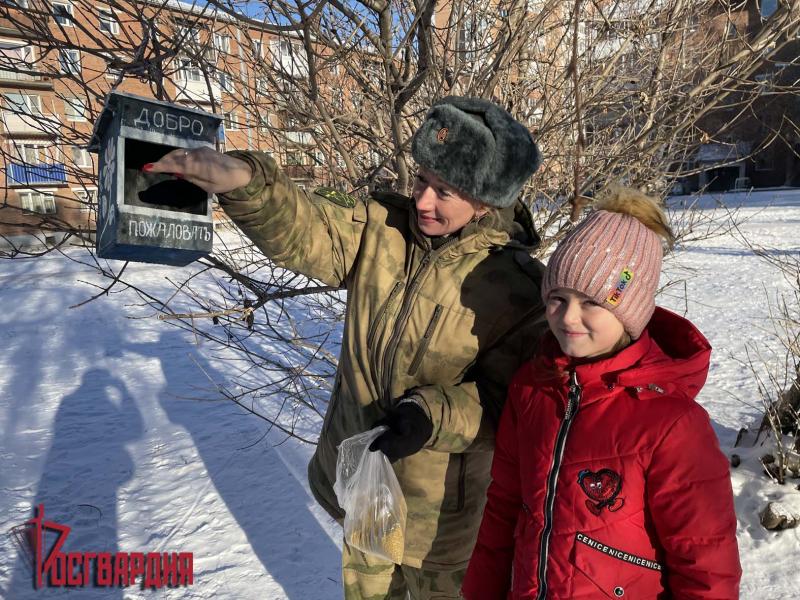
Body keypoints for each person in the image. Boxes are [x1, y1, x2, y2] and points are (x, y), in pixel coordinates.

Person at [145, 96, 548, 599]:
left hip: (444, 519)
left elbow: (509, 403)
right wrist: (241, 181)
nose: (423, 201)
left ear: (486, 201)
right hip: (366, 490)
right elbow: (310, 231)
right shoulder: (383, 229)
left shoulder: (519, 287)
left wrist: (432, 415)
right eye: (421, 179)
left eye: (444, 191)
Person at [461, 187, 742, 599]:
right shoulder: (532, 389)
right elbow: (504, 509)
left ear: (629, 309)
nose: (568, 317)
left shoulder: (672, 424)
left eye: (591, 302)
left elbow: (705, 566)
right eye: (557, 298)